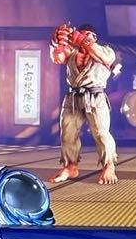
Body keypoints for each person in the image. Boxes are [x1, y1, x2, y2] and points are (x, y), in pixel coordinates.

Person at [49, 22, 119, 185]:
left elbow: (106, 58)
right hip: (73, 97)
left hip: (95, 97)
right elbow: (57, 57)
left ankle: (109, 166)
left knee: (101, 133)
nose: (86, 37)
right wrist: (57, 42)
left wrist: (84, 40)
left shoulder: (106, 51)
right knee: (67, 133)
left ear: (95, 37)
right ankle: (70, 166)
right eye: (82, 34)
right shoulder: (71, 52)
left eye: (89, 35)